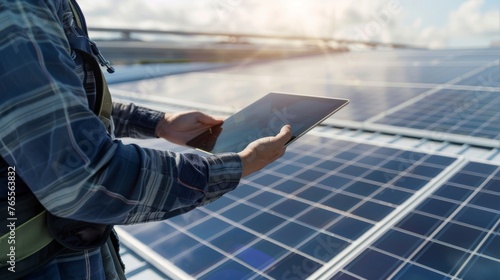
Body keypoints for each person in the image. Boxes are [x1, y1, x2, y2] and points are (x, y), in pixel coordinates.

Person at [0, 0, 292, 279]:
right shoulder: (18, 10)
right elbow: (84, 179)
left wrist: (160, 124)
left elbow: (62, 108)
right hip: (39, 264)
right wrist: (238, 166)